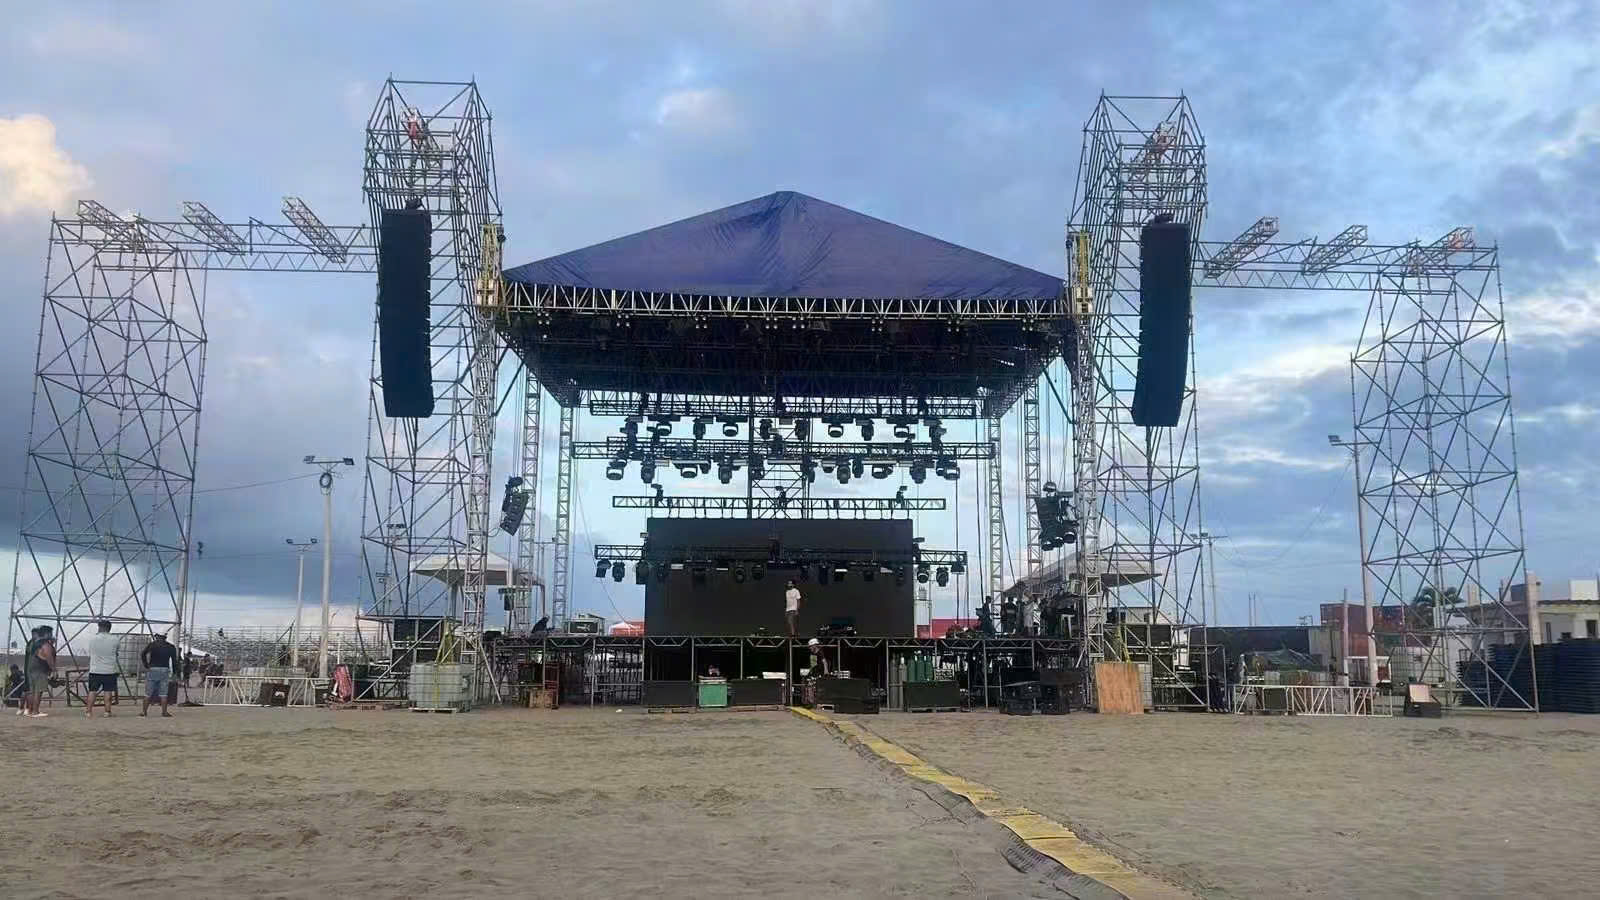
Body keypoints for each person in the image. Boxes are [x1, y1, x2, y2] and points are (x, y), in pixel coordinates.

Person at [85, 620, 120, 718]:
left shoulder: (93, 639)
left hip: (95, 670)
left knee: (92, 691)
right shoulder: (115, 639)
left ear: (100, 627)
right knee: (108, 691)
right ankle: (107, 712)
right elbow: (116, 652)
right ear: (109, 628)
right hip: (109, 670)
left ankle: (88, 711)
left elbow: (90, 652)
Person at [140, 632, 180, 718]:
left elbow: (143, 654)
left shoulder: (152, 645)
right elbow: (174, 661)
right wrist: (175, 673)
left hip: (153, 669)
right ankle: (164, 712)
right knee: (164, 693)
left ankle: (144, 712)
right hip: (164, 670)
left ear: (157, 636)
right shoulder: (171, 647)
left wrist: (146, 665)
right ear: (165, 637)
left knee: (148, 693)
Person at [27, 625, 56, 717]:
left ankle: (30, 710)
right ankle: (36, 712)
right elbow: (48, 657)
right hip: (40, 669)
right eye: (50, 633)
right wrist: (54, 670)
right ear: (47, 633)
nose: (51, 635)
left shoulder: (35, 643)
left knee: (32, 691)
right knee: (38, 691)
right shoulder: (45, 644)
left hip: (32, 669)